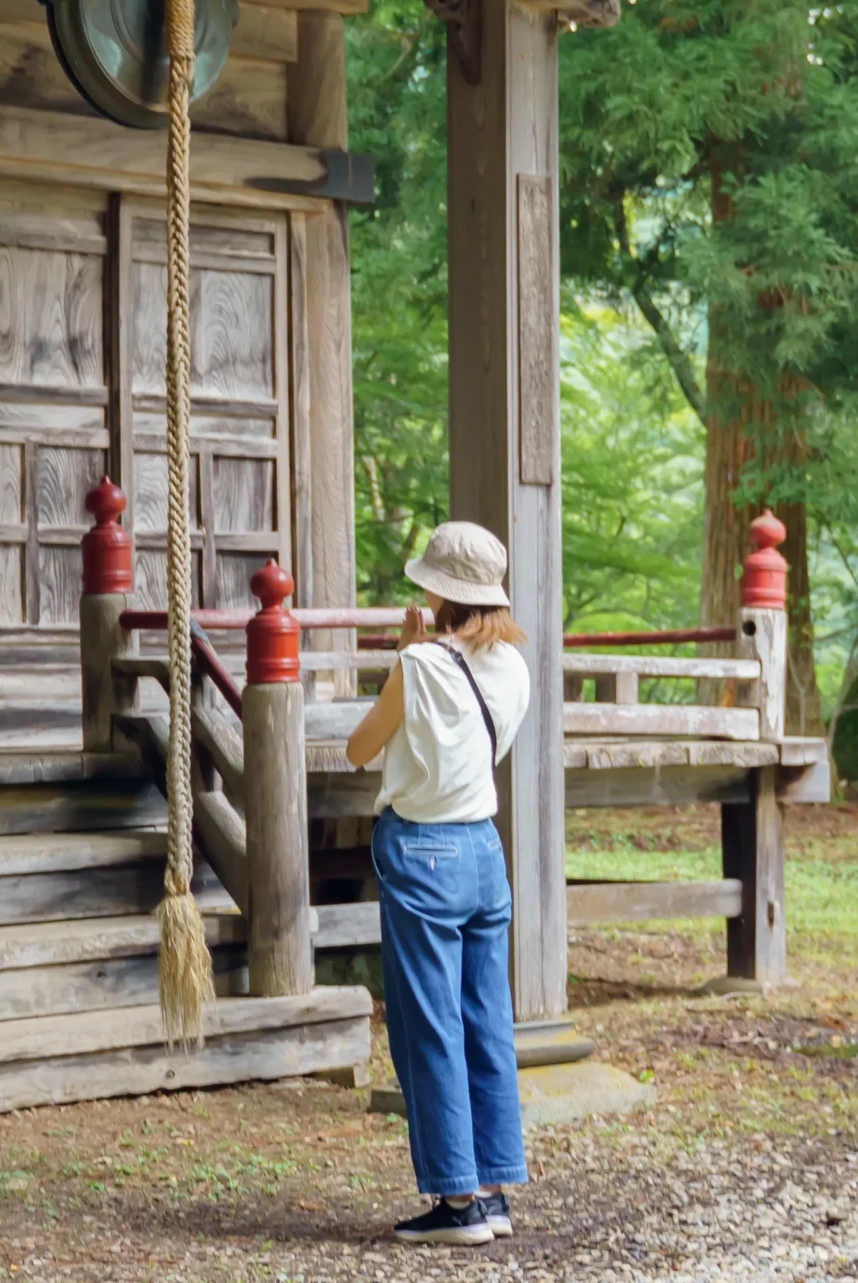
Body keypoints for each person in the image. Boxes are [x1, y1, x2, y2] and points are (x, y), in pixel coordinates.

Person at [342, 519, 533, 1245]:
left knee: (430, 1023)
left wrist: (404, 657)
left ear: (438, 591)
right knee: (486, 1018)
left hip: (425, 852)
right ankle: (492, 1188)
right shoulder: (514, 666)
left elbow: (360, 748)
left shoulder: (420, 664)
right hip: (484, 850)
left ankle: (455, 1202)